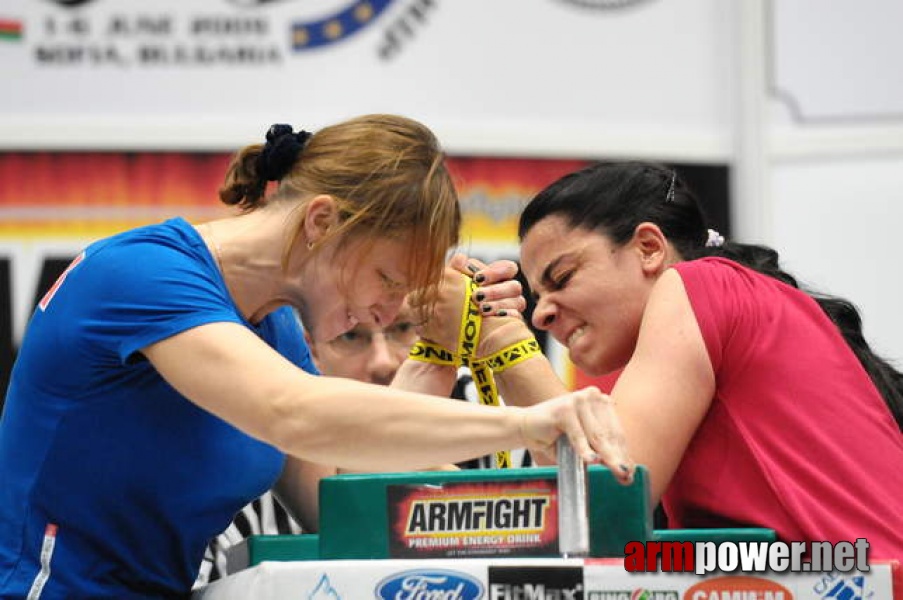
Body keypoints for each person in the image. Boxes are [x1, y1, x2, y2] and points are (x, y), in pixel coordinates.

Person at [0, 114, 633, 598]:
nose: (390, 312)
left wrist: (455, 345)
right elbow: (295, 412)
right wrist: (527, 424)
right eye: (387, 278)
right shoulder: (143, 274)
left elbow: (343, 486)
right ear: (322, 220)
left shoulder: (271, 326)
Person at [480, 160, 903, 557]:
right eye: (537, 296)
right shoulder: (694, 333)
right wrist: (501, 344)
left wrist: (506, 342)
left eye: (563, 277)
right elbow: (574, 502)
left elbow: (606, 505)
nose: (541, 313)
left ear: (648, 247)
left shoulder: (700, 284)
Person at [197, 300, 533, 585]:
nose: (383, 362)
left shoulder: (486, 405)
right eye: (351, 336)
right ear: (307, 349)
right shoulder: (255, 465)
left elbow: (577, 539)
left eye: (402, 328)